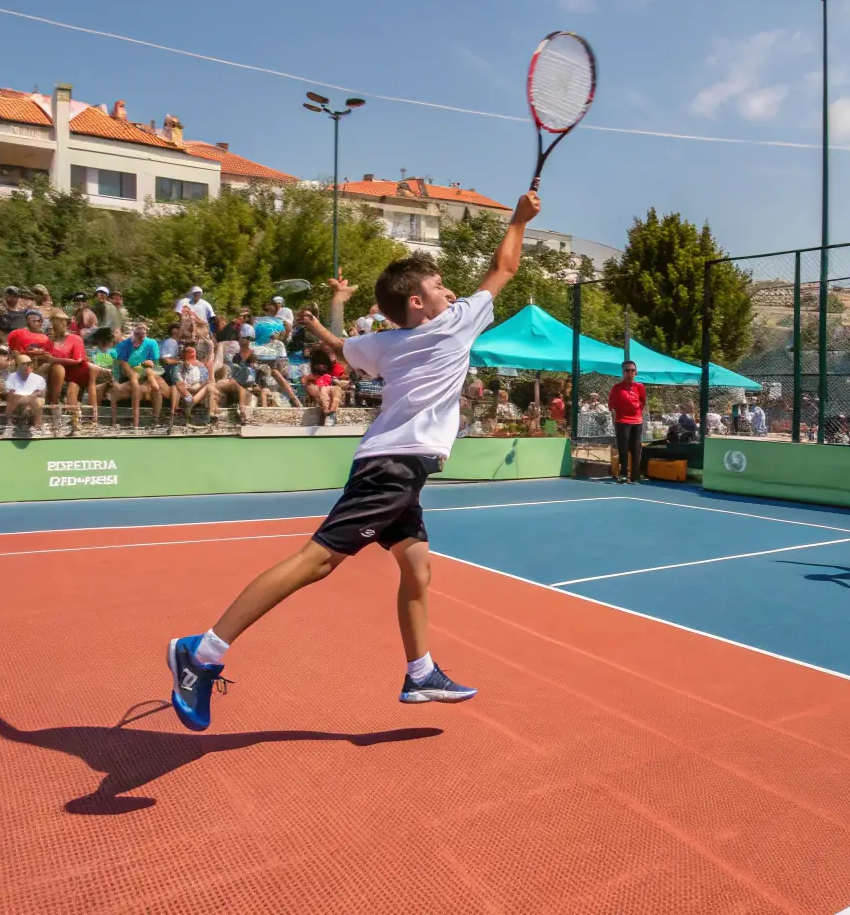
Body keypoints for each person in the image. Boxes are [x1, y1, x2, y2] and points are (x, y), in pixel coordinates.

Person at [166, 190, 542, 731]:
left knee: (417, 567)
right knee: (316, 562)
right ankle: (200, 653)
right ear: (418, 302)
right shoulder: (455, 322)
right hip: (392, 467)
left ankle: (420, 672)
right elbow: (504, 265)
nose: (450, 290)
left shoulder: (385, 343)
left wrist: (333, 311)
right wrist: (518, 219)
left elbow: (343, 350)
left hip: (398, 468)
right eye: (438, 286)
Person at [608, 360, 647, 484]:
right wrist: (617, 418)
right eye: (627, 371)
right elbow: (611, 405)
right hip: (622, 422)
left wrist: (637, 412)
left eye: (632, 371)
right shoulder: (616, 388)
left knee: (636, 448)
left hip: (637, 422)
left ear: (636, 372)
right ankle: (623, 474)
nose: (630, 373)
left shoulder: (640, 387)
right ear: (622, 372)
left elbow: (642, 402)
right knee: (623, 449)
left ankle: (636, 475)